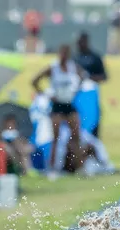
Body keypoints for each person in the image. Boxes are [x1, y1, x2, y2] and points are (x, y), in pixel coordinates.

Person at [32, 44, 90, 177]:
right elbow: (34, 81)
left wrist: (76, 89)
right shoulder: (53, 67)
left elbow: (84, 76)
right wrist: (46, 94)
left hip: (69, 104)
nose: (64, 56)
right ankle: (52, 168)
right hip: (57, 105)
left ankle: (80, 167)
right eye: (63, 53)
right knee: (55, 137)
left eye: (66, 53)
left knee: (76, 136)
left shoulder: (72, 66)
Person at [74, 32, 108, 138]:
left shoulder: (95, 57)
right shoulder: (74, 57)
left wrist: (88, 77)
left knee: (92, 122)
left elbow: (104, 76)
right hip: (76, 95)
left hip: (90, 95)